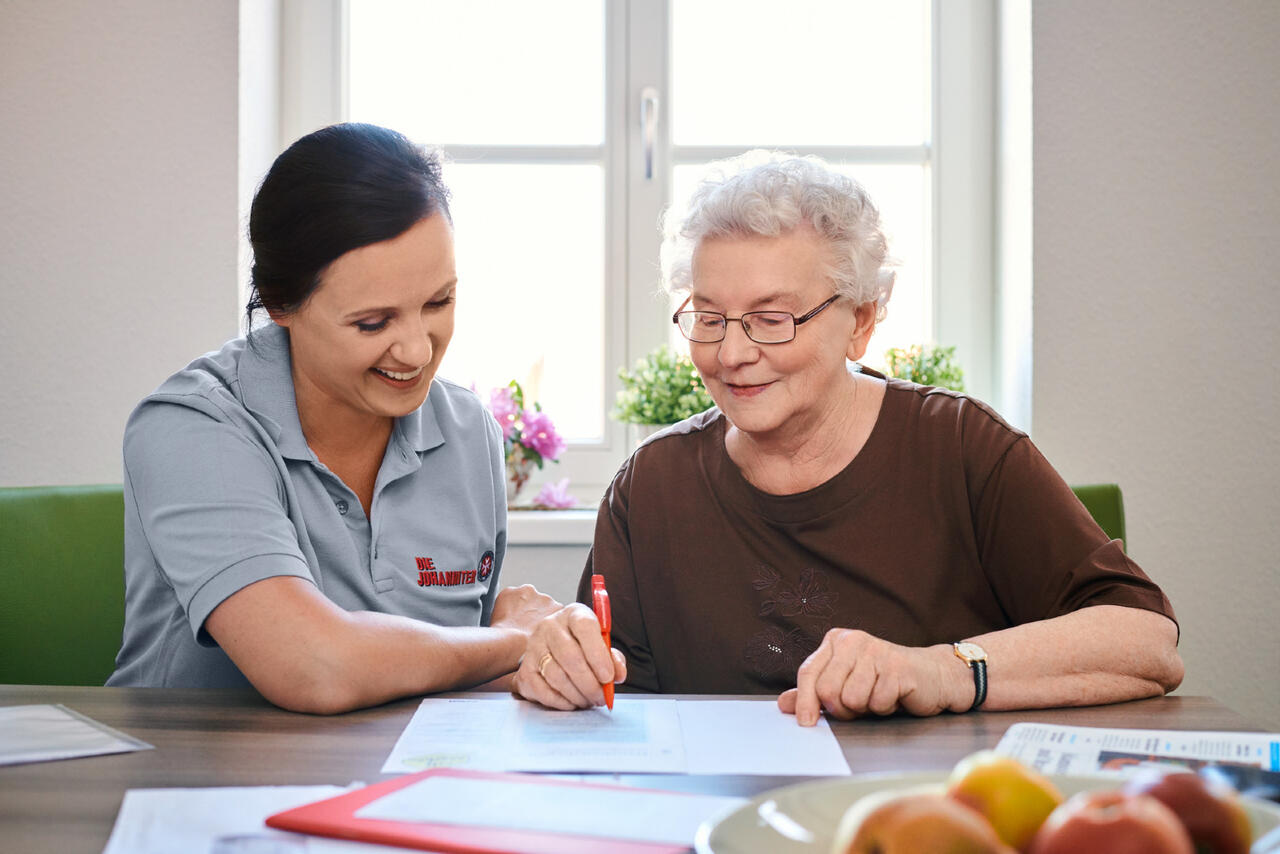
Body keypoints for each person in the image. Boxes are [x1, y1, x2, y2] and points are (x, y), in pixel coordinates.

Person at [511, 152, 1184, 725]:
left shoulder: (962, 448)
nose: (732, 354)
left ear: (860, 323)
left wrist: (939, 671)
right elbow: (613, 703)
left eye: (772, 319)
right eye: (709, 319)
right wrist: (560, 668)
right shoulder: (650, 487)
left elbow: (1146, 640)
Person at [108, 123, 561, 713]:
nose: (417, 352)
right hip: (197, 767)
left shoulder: (468, 431)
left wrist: (550, 658)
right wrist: (514, 640)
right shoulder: (190, 428)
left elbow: (448, 669)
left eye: (438, 302)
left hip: (400, 768)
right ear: (280, 301)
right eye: (373, 323)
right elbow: (313, 668)